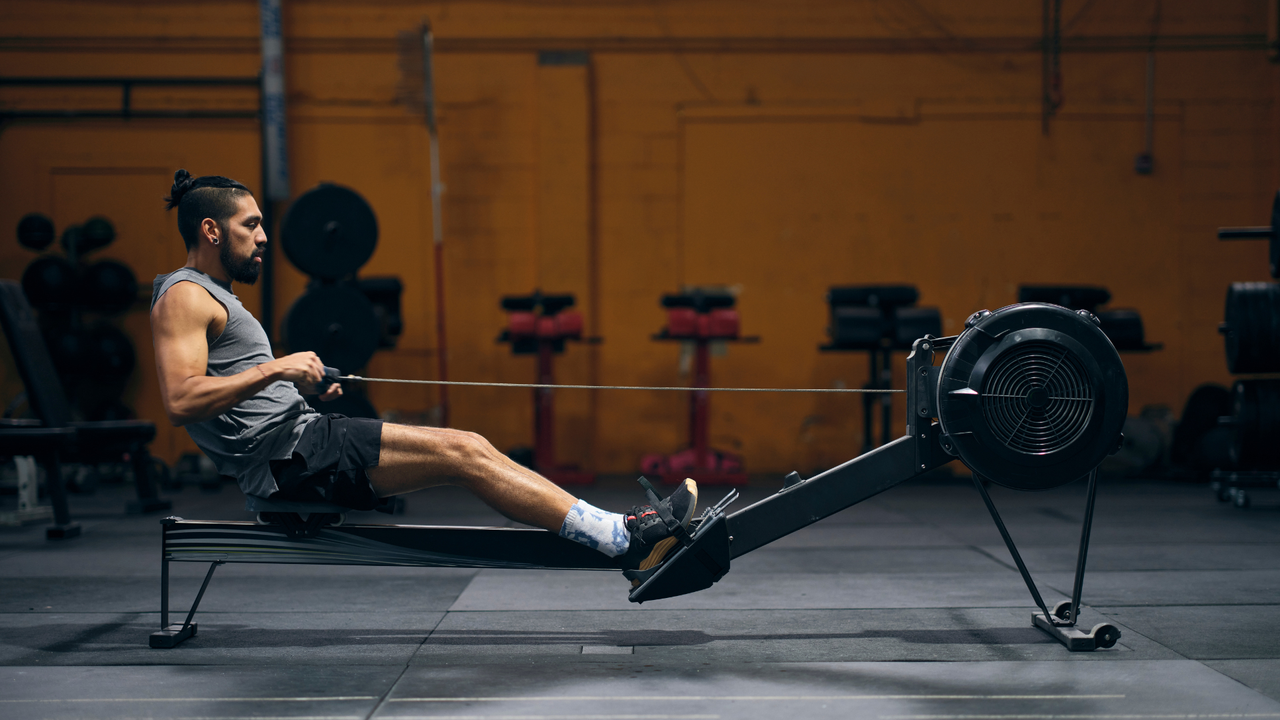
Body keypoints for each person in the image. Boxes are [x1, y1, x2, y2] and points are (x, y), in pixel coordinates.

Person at [148, 169, 696, 588]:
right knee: (464, 452)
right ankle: (625, 539)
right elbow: (179, 399)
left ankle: (622, 535)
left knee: (469, 449)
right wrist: (279, 367)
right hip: (293, 459)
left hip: (302, 444)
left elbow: (233, 391)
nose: (264, 236)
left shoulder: (210, 296)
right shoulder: (184, 296)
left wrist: (291, 384)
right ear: (211, 229)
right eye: (252, 225)